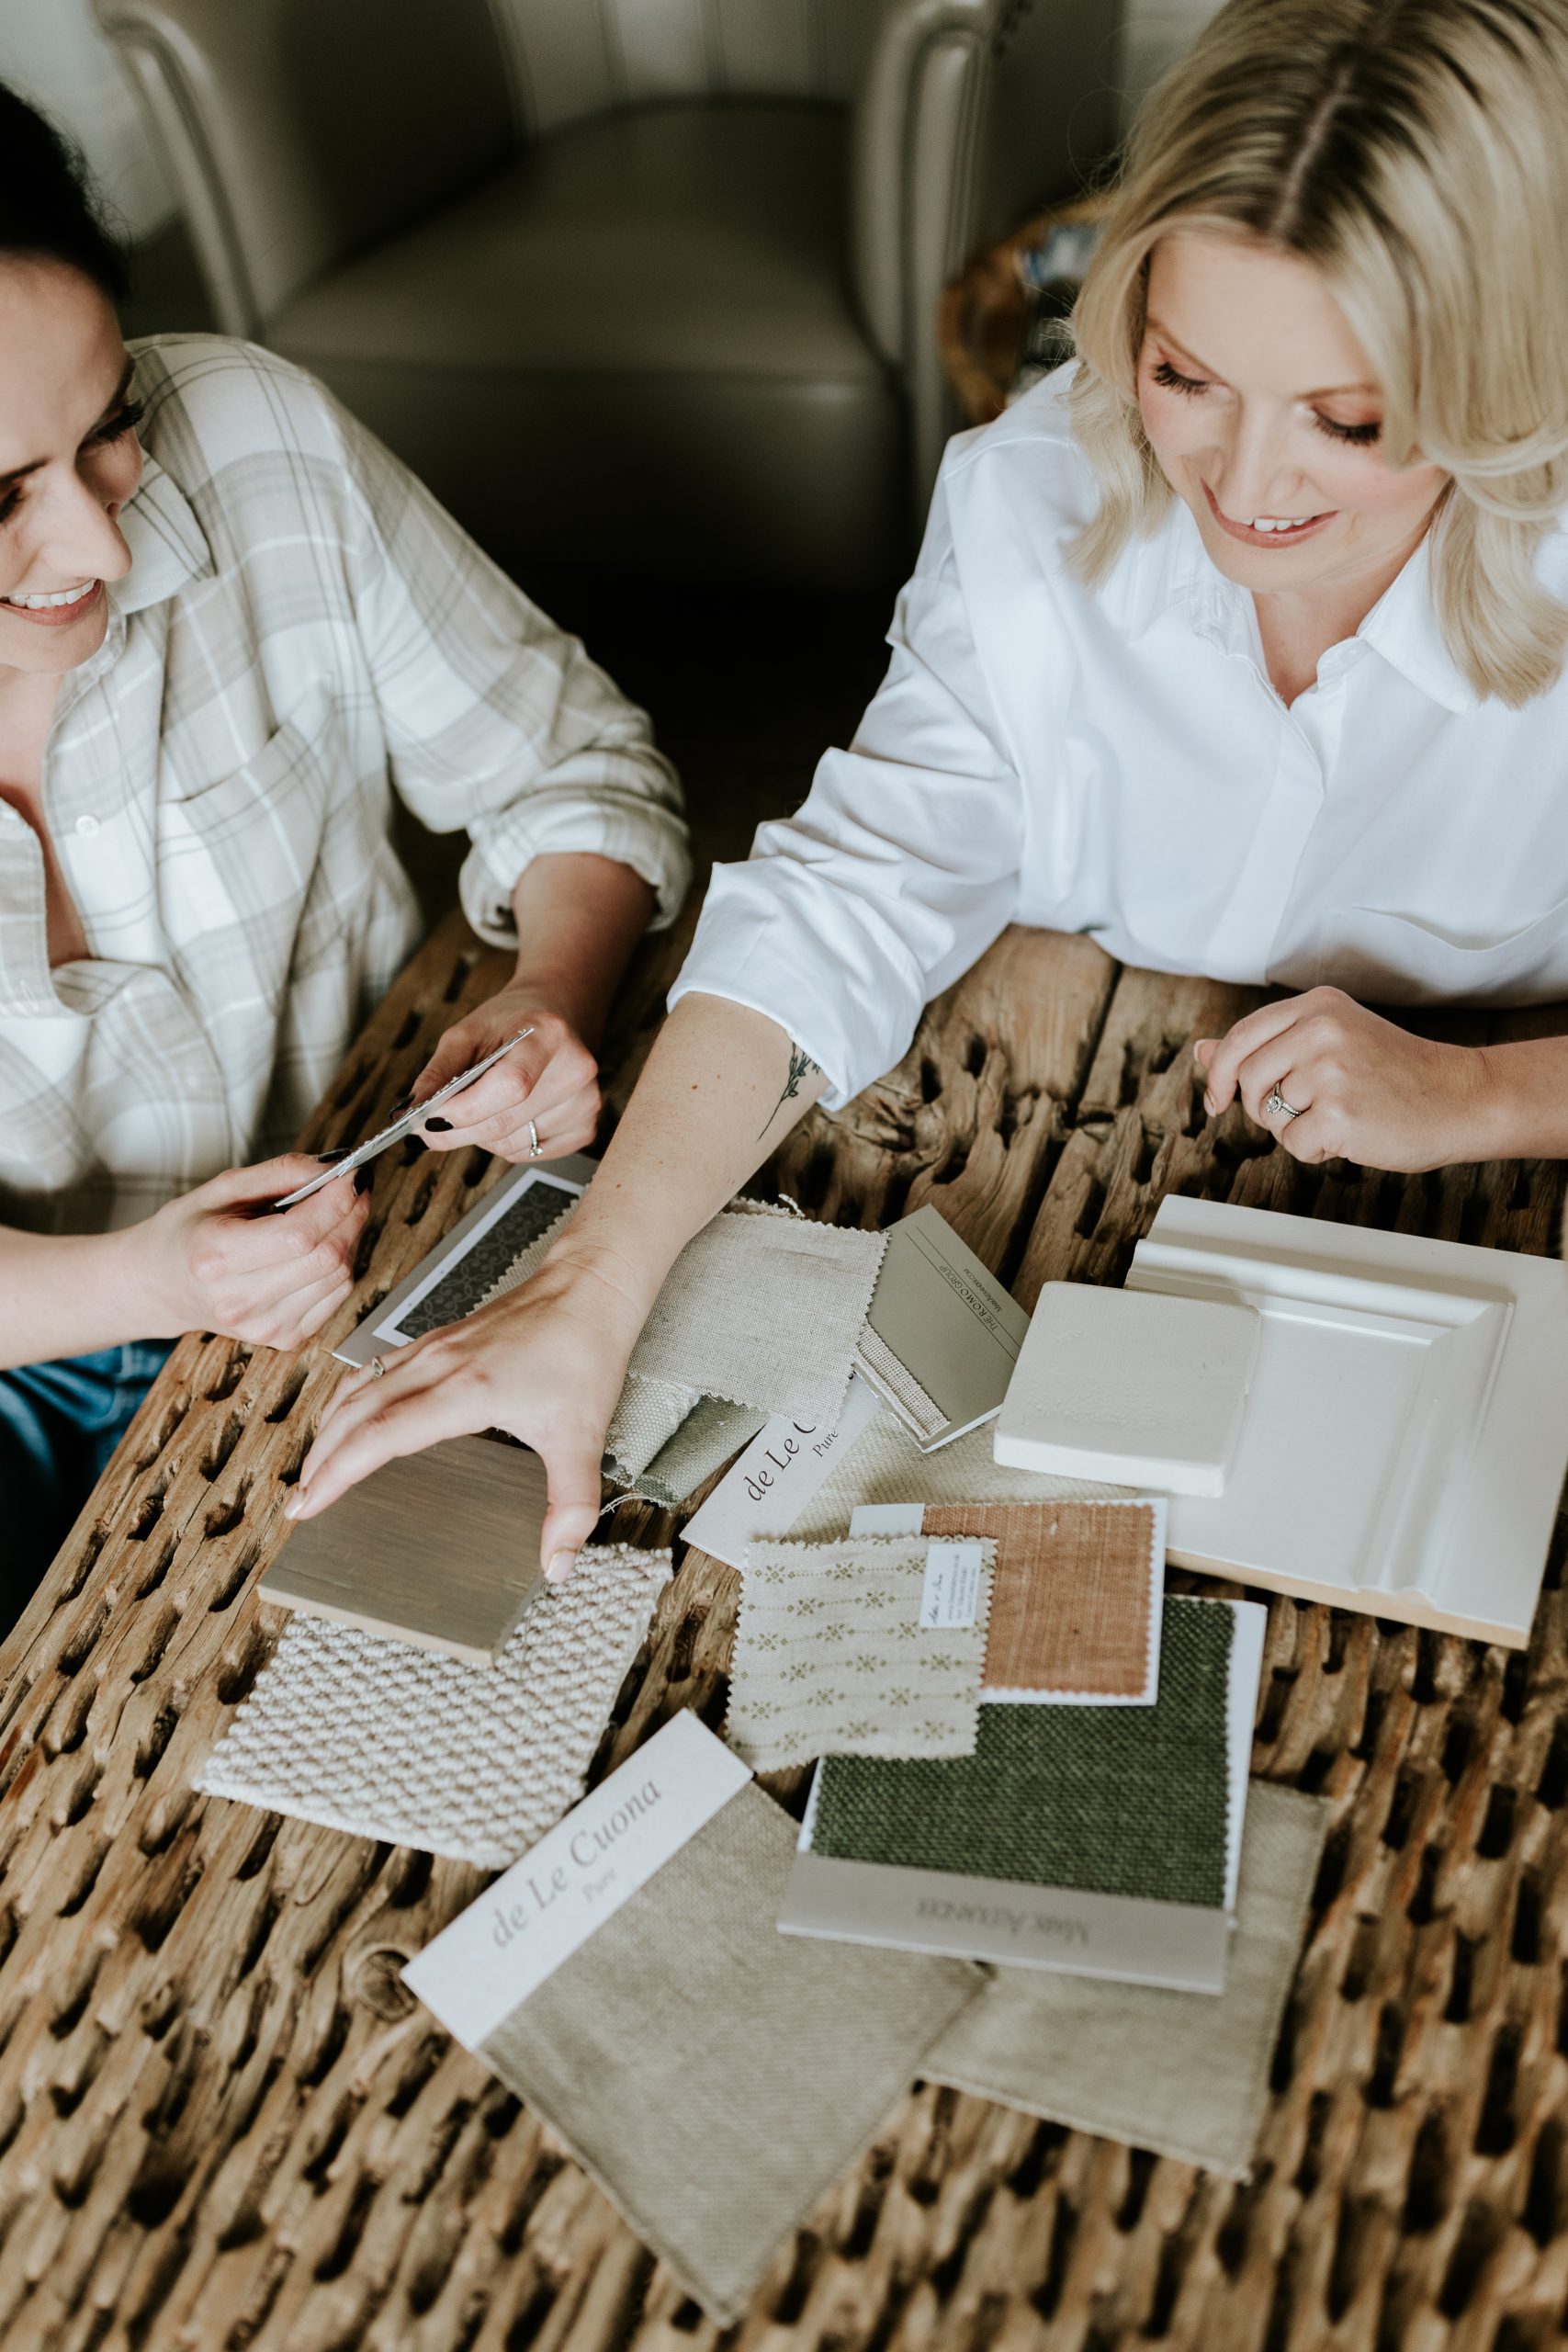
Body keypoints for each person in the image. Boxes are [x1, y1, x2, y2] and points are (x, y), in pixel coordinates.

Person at [296, 0, 1568, 1573]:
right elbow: (847, 895)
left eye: (1350, 419)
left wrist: (1493, 1093)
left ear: (1510, 377)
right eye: (1185, 375)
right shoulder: (1038, 497)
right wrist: (592, 1283)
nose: (1241, 486)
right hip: (1060, 1128)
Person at [0, 87, 688, 1611]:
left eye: (106, 425)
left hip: (394, 1226)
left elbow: (579, 769)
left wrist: (557, 992)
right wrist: (148, 1284)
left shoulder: (251, 435)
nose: (107, 546)